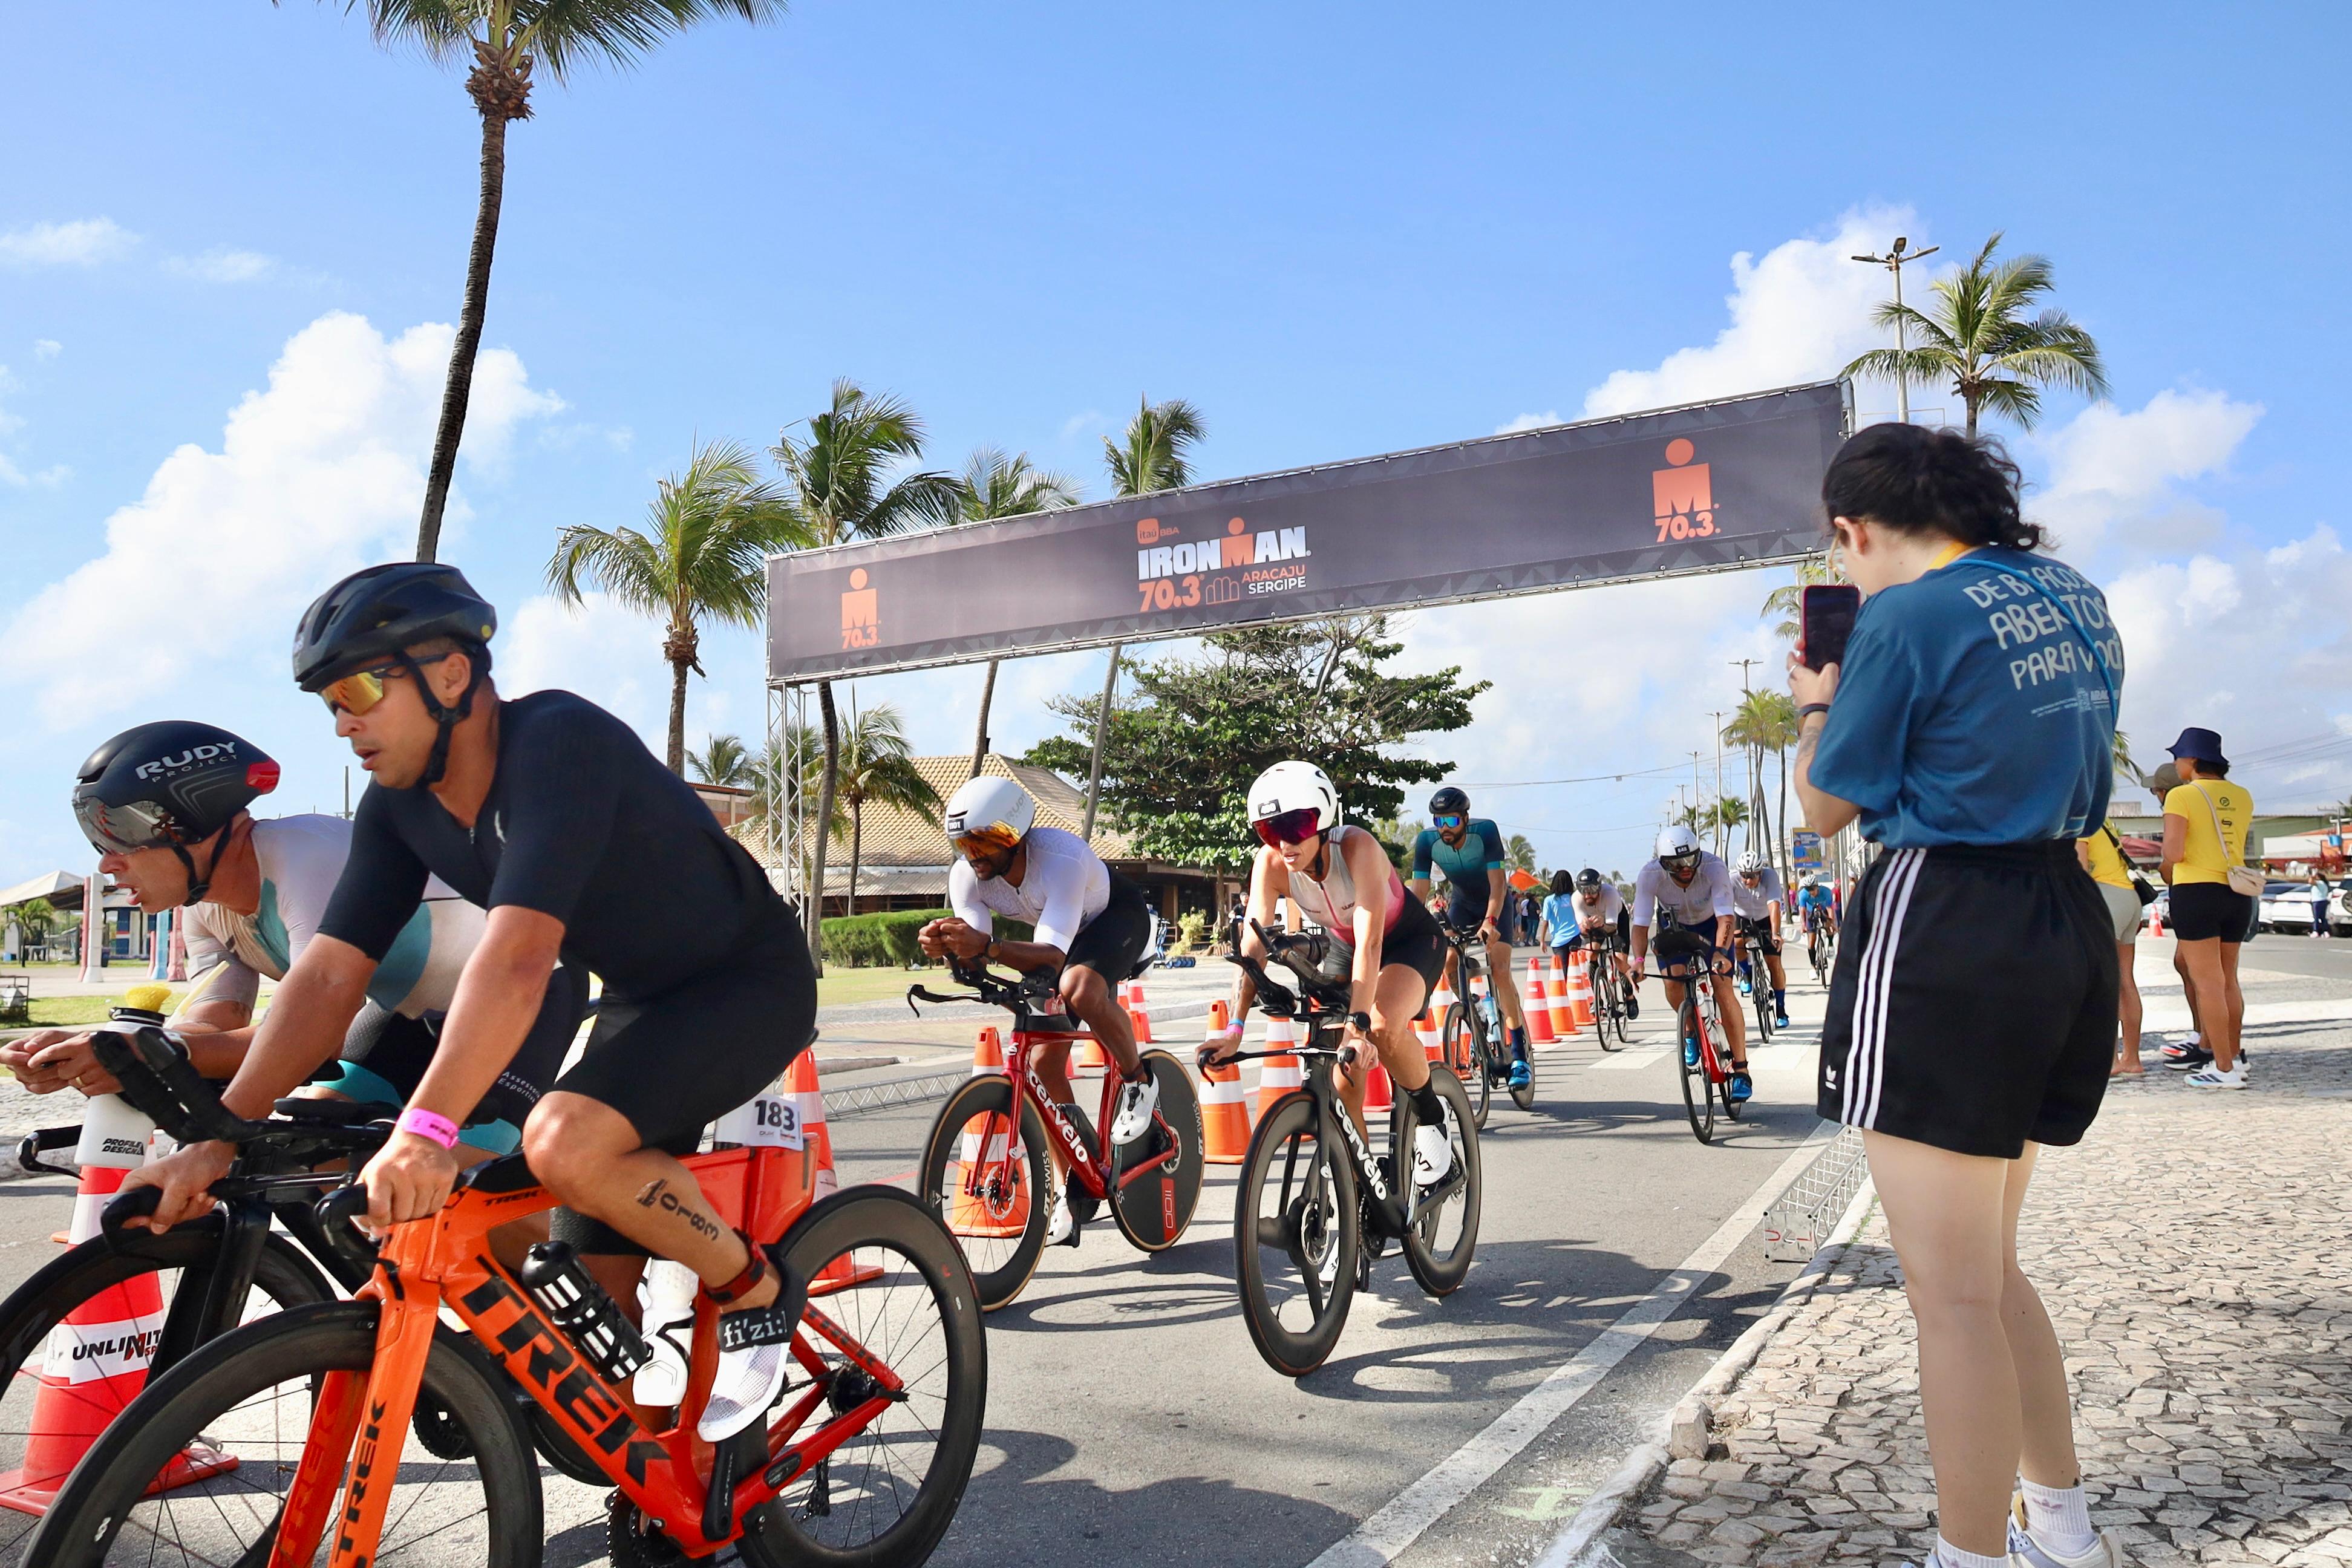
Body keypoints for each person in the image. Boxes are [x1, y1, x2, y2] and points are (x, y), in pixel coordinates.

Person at [123, 563, 817, 1442]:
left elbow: (519, 959)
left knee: (562, 1140)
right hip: (642, 1003)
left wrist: (425, 1132)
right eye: (330, 704)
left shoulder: (559, 741)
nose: (342, 723)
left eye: (358, 691)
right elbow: (328, 976)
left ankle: (753, 1286)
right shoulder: (397, 808)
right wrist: (217, 1138)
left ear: (451, 674)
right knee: (597, 1336)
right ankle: (665, 1487)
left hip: (747, 981)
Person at [1788, 422, 2125, 1568]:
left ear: (1853, 528)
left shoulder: (1907, 614)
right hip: (2061, 912)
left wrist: (1815, 703)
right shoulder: (2071, 594)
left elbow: (1825, 808)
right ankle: (2063, 1533)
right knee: (1989, 1268)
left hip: (1949, 921)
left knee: (1951, 1296)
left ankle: (1969, 1555)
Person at [10, 722, 572, 1172]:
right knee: (308, 1153)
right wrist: (111, 1049)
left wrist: (146, 1052)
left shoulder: (306, 856)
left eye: (116, 834)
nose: (106, 863)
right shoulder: (203, 907)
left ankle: (572, 1258)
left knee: (450, 1181)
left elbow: (314, 1031)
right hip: (404, 1015)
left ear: (188, 823)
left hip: (517, 998)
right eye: (95, 841)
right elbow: (215, 1025)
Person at [918, 774, 1161, 1246]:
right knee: (1044, 1064)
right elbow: (976, 952)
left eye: (984, 841)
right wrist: (947, 945)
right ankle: (1073, 1185)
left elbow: (1050, 957)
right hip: (1058, 935)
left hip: (1113, 919)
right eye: (964, 844)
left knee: (1079, 988)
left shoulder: (1061, 861)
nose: (974, 855)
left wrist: (986, 947)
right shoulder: (967, 876)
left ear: (1015, 834)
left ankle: (1139, 1080)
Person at [1200, 762, 1453, 1181]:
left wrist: (1358, 1027)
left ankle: (1432, 1116)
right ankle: (1362, 1187)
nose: (1284, 843)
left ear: (1322, 820)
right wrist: (1234, 1030)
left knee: (1381, 1026)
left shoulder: (1356, 848)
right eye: (1269, 831)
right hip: (1345, 946)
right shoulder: (1271, 864)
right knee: (1340, 1071)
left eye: (1295, 827)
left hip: (1407, 940)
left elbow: (1371, 944)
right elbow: (1252, 950)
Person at [1410, 787, 1530, 1087]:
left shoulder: (1485, 832)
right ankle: (1474, 1010)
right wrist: (1411, 926)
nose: (1445, 829)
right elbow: (1419, 893)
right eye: (1439, 822)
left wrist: (1491, 921)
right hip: (1462, 904)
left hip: (1495, 904)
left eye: (1451, 821)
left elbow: (1498, 885)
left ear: (1465, 818)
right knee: (1449, 960)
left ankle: (1519, 1056)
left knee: (1500, 970)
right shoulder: (1426, 841)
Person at [2159, 727, 2254, 1090]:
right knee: (2228, 979)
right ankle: (2236, 1057)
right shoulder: (2242, 795)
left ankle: (2223, 1068)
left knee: (2207, 983)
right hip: (2236, 891)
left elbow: (2174, 852)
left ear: (2193, 760)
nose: (2176, 764)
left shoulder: (2182, 795)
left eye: (2178, 757)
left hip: (2196, 891)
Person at [1629, 825, 1749, 1102]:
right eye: (1676, 864)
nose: (1685, 868)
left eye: (1691, 859)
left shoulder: (1714, 867)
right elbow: (1641, 925)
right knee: (1674, 983)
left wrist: (1719, 953)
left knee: (1722, 987)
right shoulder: (1649, 875)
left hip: (1712, 926)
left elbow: (1726, 918)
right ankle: (1690, 1029)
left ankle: (1742, 1070)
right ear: (1663, 864)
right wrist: (1638, 961)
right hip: (1675, 927)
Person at [2077, 820, 2146, 1076]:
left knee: (2105, 983)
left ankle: (2112, 1061)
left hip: (2106, 897)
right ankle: (2132, 1059)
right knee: (2126, 979)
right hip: (2129, 896)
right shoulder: (2103, 820)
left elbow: (2081, 870)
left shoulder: (2079, 819)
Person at [1544, 867, 1638, 1019]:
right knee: (1591, 954)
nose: (1588, 895)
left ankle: (1630, 997)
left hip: (1615, 921)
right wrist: (1584, 926)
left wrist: (1602, 924)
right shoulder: (1576, 898)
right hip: (1594, 922)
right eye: (1584, 891)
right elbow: (1582, 930)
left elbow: (1613, 928)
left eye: (1592, 890)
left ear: (1599, 888)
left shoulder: (1610, 895)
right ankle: (1597, 999)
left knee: (1620, 961)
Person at [1729, 852, 1791, 1029]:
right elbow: (1725, 908)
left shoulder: (1770, 877)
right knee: (1737, 942)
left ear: (1760, 873)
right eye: (1744, 876)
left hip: (1765, 918)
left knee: (1774, 963)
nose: (1748, 880)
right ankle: (1747, 974)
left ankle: (1781, 1010)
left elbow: (1774, 905)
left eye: (1752, 876)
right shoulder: (1732, 879)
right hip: (1741, 916)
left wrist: (1776, 933)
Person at [1794, 873, 1838, 972]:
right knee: (1811, 941)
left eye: (1813, 889)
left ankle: (1830, 943)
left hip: (1824, 910)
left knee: (1829, 926)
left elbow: (1830, 909)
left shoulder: (1826, 892)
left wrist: (1832, 924)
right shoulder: (1803, 894)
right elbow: (1803, 911)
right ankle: (1813, 966)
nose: (1811, 892)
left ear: (1817, 887)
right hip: (1810, 912)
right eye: (1808, 889)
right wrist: (1803, 925)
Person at [2310, 874, 2332, 938]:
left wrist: (2312, 876)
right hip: (2323, 901)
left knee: (2316, 917)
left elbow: (2310, 882)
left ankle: (2316, 931)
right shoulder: (2325, 884)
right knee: (2323, 917)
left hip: (2317, 901)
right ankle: (2325, 932)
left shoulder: (2320, 883)